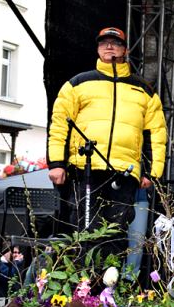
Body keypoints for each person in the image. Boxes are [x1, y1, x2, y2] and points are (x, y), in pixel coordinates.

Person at [47, 27, 167, 261]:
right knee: (83, 228)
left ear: (125, 50)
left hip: (124, 172)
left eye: (115, 43)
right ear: (98, 49)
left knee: (116, 230)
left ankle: (108, 290)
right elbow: (60, 124)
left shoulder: (144, 90)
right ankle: (83, 291)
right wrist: (56, 163)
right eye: (104, 43)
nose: (109, 47)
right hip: (85, 169)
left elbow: (156, 133)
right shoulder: (78, 83)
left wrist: (151, 172)